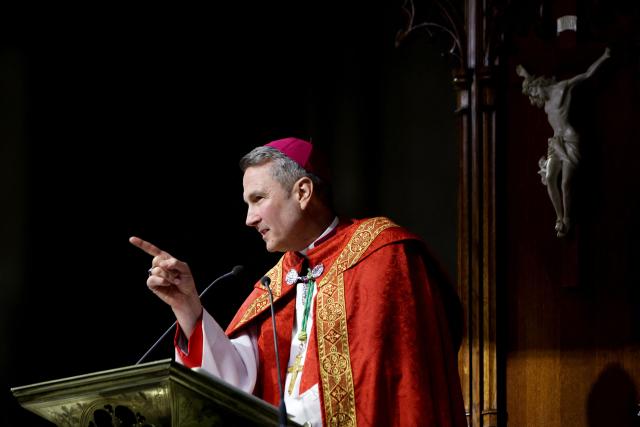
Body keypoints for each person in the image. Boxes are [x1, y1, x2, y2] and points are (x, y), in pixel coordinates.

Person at [130, 137, 466, 426]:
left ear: (303, 192)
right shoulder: (276, 281)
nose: (249, 219)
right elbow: (235, 385)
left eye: (258, 199)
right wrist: (187, 305)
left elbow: (407, 383)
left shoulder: (382, 255)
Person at [516, 47, 610, 237]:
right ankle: (559, 218)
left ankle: (568, 218)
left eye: (534, 93)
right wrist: (524, 75)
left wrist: (604, 57)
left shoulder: (562, 88)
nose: (534, 99)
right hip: (555, 143)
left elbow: (586, 75)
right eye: (532, 96)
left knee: (566, 182)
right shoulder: (544, 100)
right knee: (550, 178)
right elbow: (531, 86)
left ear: (539, 85)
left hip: (570, 139)